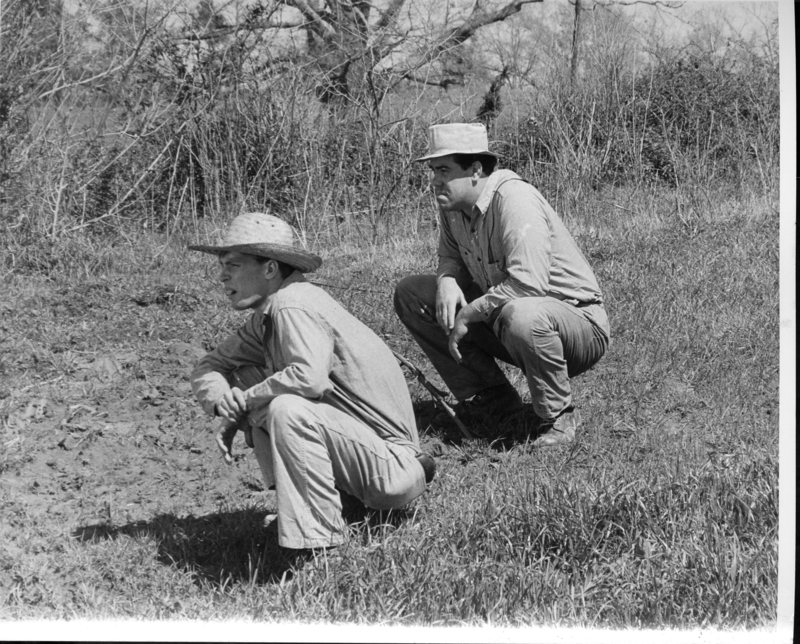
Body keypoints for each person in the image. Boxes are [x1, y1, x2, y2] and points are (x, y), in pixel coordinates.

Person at [189, 212, 434, 552]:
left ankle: (319, 549)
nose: (222, 276)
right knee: (247, 377)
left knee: (287, 407)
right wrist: (221, 400)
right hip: (366, 458)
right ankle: (318, 509)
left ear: (270, 268)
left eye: (233, 265)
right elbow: (211, 365)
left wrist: (244, 401)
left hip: (394, 468)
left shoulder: (294, 305)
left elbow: (309, 378)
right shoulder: (268, 314)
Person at [394, 123, 610, 446]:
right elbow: (449, 256)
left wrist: (467, 314)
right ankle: (493, 397)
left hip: (576, 327)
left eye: (443, 170)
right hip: (509, 322)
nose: (435, 180)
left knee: (523, 315)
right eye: (432, 171)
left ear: (476, 170)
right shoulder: (453, 208)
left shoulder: (513, 199)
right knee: (412, 294)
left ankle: (558, 418)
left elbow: (528, 287)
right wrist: (447, 279)